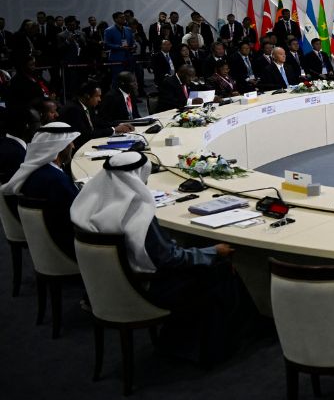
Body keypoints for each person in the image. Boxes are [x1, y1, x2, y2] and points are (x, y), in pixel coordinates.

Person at [71, 151, 259, 365]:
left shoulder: (90, 207)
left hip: (109, 287)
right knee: (219, 267)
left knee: (196, 248)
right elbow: (169, 259)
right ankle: (216, 348)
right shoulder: (137, 213)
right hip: (147, 287)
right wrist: (213, 252)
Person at [2, 123, 79, 258]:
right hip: (67, 249)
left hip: (45, 244)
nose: (73, 146)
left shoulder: (32, 173)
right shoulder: (57, 181)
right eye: (70, 143)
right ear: (57, 149)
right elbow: (78, 216)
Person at [60, 80, 135, 142]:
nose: (100, 100)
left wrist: (120, 125)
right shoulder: (73, 110)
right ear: (87, 96)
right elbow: (86, 135)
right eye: (97, 96)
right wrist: (113, 130)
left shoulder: (88, 105)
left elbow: (99, 123)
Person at [103, 12, 137, 88]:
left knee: (130, 79)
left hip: (129, 58)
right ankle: (117, 98)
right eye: (121, 17)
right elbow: (107, 44)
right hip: (116, 59)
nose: (124, 19)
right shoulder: (109, 30)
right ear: (115, 19)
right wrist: (119, 47)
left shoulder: (128, 29)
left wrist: (134, 45)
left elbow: (132, 42)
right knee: (117, 79)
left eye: (124, 17)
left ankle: (131, 98)